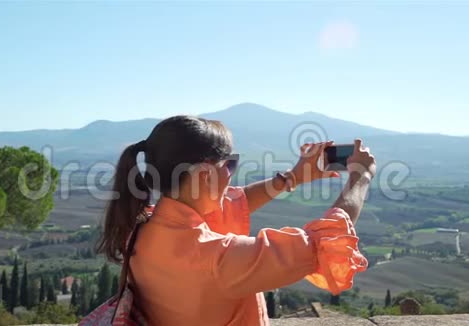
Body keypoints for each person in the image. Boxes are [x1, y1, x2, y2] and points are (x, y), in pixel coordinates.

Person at [97, 115, 375, 325]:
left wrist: (292, 178)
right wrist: (360, 178)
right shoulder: (216, 259)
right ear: (205, 175)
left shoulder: (145, 228)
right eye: (229, 164)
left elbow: (233, 202)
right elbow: (326, 241)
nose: (232, 174)